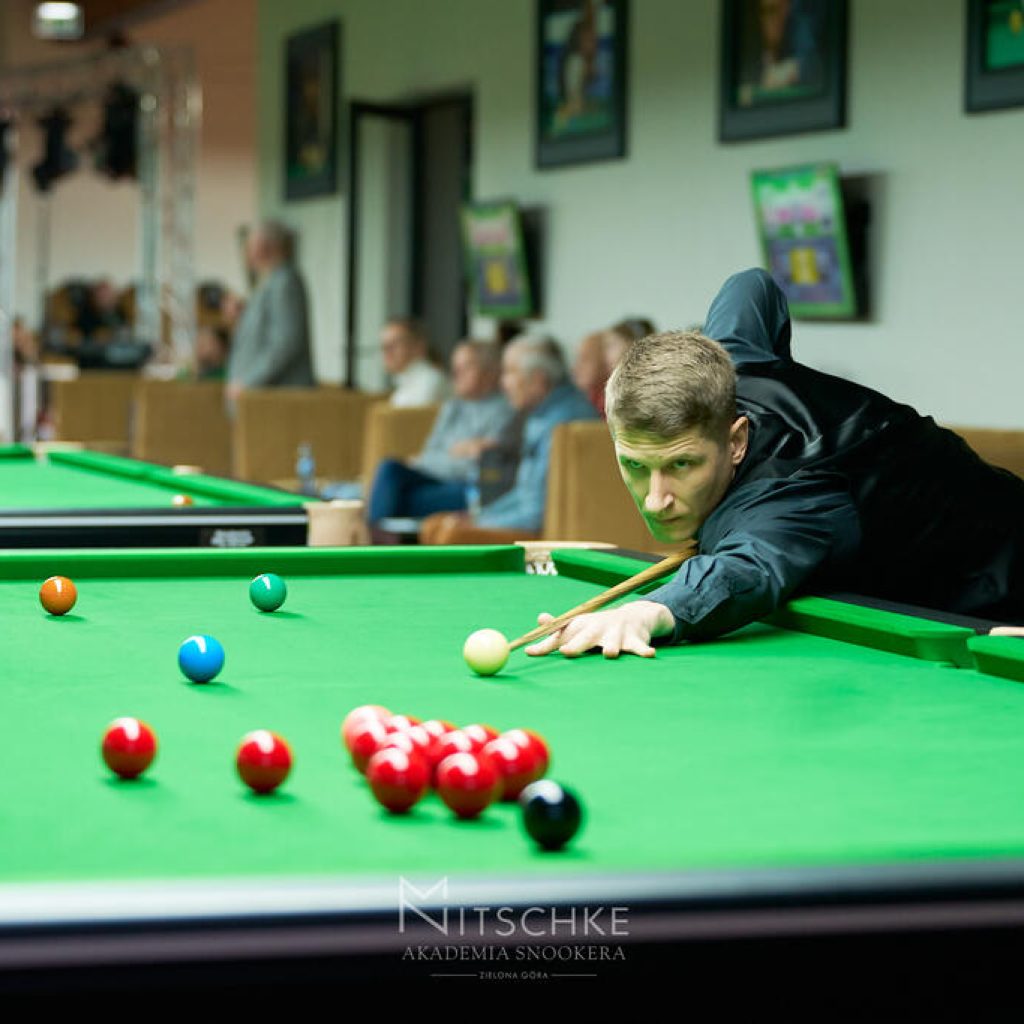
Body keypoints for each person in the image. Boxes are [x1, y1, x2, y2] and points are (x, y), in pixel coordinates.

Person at [527, 268, 1024, 659]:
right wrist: (781, 369)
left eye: (681, 465)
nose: (656, 500)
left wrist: (649, 611)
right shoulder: (730, 361)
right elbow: (751, 285)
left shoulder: (788, 499)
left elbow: (748, 566)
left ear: (736, 440)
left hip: (1000, 577)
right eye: (636, 466)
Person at [420, 334, 599, 543]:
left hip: (550, 535)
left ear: (538, 380)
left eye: (510, 372)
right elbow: (524, 494)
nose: (503, 383)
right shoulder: (542, 414)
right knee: (434, 525)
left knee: (450, 535)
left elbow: (534, 515)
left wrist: (479, 523)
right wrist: (478, 517)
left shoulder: (562, 423)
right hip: (528, 521)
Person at [367, 341, 514, 523]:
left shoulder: (505, 410)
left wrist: (433, 460)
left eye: (466, 367)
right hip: (435, 479)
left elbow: (480, 468)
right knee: (390, 468)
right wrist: (460, 452)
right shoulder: (452, 406)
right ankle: (376, 533)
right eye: (455, 367)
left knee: (398, 498)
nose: (456, 373)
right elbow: (429, 453)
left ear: (490, 372)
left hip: (469, 488)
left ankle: (371, 535)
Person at [226, 221, 314, 403]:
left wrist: (247, 382)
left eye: (249, 245)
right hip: (260, 400)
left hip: (279, 400)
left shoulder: (285, 282)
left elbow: (286, 343)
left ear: (265, 246)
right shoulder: (268, 282)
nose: (246, 253)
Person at [380, 317, 449, 407]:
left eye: (395, 343)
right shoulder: (405, 384)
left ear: (418, 347)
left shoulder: (429, 382)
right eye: (384, 345)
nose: (386, 350)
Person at [572, 330, 609, 416]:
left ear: (605, 361)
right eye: (577, 359)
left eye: (585, 359)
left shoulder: (615, 404)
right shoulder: (590, 399)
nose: (576, 368)